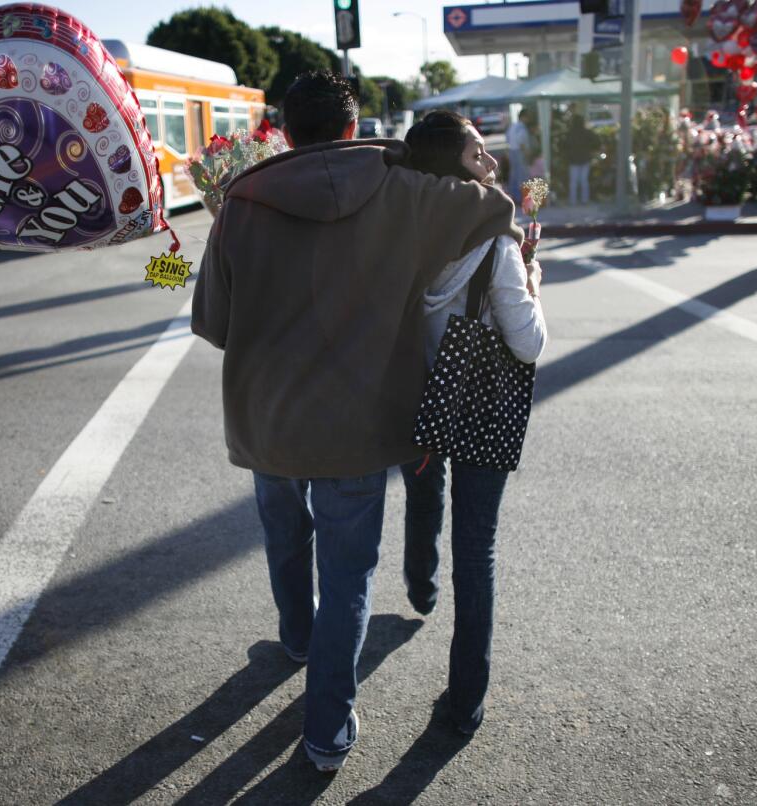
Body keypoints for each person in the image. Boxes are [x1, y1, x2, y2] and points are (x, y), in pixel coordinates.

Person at [191, 71, 523, 772]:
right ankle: (326, 730)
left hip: (267, 419)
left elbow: (213, 324)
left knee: (285, 533)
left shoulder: (240, 205)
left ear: (283, 131)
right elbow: (492, 211)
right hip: (361, 421)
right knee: (349, 574)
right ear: (350, 126)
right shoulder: (400, 189)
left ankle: (296, 636)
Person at [397, 110, 548, 735]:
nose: (491, 162)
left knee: (421, 490)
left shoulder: (398, 229)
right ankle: (464, 704)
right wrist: (534, 283)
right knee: (477, 548)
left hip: (414, 393)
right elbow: (529, 343)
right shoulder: (497, 240)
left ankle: (419, 581)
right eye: (479, 153)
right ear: (455, 167)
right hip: (483, 401)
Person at [564, 113, 600, 206]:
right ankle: (584, 200)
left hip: (573, 159)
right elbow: (597, 141)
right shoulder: (587, 132)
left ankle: (573, 200)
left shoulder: (570, 133)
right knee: (584, 181)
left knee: (573, 181)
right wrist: (592, 149)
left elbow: (564, 145)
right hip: (585, 158)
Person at [505, 110, 532, 204]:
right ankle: (521, 198)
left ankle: (514, 197)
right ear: (523, 117)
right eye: (527, 117)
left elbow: (507, 139)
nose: (528, 120)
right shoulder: (521, 127)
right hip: (519, 152)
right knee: (522, 176)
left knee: (513, 175)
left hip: (512, 151)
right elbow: (521, 142)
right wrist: (527, 153)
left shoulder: (512, 126)